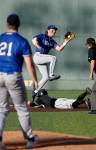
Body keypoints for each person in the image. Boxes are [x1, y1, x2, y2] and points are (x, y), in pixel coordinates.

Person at [0, 14, 39, 149]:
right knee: (21, 108)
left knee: (1, 109)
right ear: (18, 24)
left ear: (7, 24)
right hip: (13, 76)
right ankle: (29, 139)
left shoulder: (0, 38)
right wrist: (35, 80)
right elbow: (29, 64)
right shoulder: (21, 41)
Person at [32, 25, 72, 98]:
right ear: (48, 30)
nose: (53, 32)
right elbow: (34, 39)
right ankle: (51, 74)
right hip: (38, 56)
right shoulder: (43, 36)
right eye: (52, 30)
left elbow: (59, 49)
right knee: (53, 58)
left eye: (54, 31)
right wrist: (37, 45)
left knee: (45, 77)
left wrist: (65, 42)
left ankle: (35, 91)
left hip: (42, 59)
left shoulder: (52, 42)